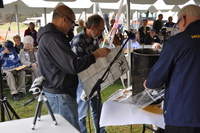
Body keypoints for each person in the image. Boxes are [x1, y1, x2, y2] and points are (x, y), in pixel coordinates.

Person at [37, 5, 110, 131]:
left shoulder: (54, 36)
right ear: (64, 19)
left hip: (61, 91)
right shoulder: (53, 39)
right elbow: (73, 65)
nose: (72, 27)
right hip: (60, 93)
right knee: (70, 129)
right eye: (72, 23)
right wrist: (95, 55)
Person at [143, 5, 200, 133]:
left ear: (183, 19)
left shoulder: (176, 42)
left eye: (178, 22)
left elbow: (155, 80)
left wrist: (148, 82)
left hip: (183, 117)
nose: (178, 27)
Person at [71, 14, 107, 133]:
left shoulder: (93, 39)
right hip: (82, 80)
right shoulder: (78, 41)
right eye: (100, 30)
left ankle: (101, 131)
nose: (101, 33)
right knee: (82, 111)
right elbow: (78, 65)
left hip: (94, 78)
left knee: (97, 108)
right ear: (92, 28)